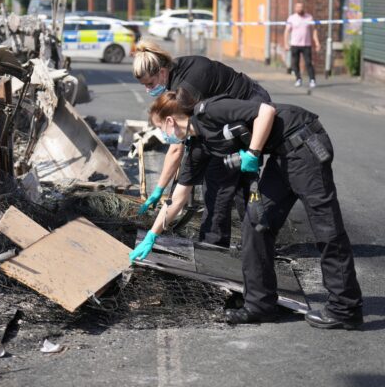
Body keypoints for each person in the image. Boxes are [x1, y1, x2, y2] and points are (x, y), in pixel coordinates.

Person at [130, 89, 363, 330]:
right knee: (256, 222)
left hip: (304, 144)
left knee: (326, 227)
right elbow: (178, 198)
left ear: (170, 121)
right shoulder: (199, 144)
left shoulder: (209, 111)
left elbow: (266, 110)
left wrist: (253, 151)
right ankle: (260, 305)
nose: (163, 136)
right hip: (282, 156)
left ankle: (345, 308)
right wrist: (152, 236)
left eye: (160, 128)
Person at [133, 41, 270, 247]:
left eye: (150, 84)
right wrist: (160, 189)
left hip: (250, 109)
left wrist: (162, 191)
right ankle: (258, 239)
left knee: (217, 182)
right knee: (240, 181)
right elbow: (186, 134)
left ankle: (213, 246)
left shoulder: (186, 90)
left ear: (162, 72)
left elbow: (177, 146)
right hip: (227, 118)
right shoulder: (174, 72)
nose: (147, 90)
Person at [284, 2, 321, 89]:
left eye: (301, 7)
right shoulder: (291, 18)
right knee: (295, 63)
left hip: (306, 44)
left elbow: (314, 30)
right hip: (295, 44)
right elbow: (286, 32)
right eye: (298, 7)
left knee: (308, 63)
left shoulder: (309, 17)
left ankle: (312, 79)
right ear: (295, 8)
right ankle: (298, 79)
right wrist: (286, 43)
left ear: (303, 8)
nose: (300, 9)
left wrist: (317, 42)